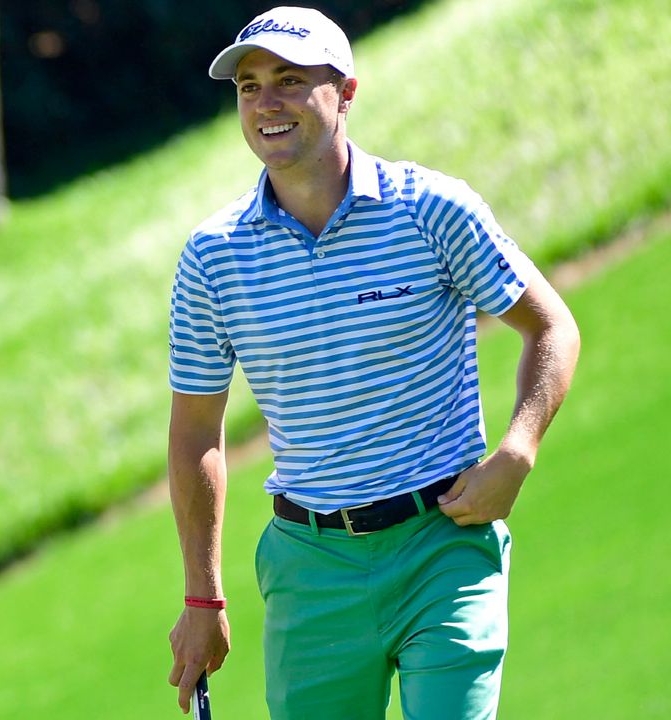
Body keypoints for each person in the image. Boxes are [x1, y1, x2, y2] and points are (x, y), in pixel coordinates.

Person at [165, 6, 580, 718]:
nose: (267, 102)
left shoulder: (432, 210)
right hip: (310, 565)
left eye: (290, 80)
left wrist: (518, 450)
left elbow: (550, 327)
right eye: (250, 86)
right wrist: (203, 596)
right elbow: (196, 431)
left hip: (442, 545)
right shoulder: (214, 258)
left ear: (346, 91)